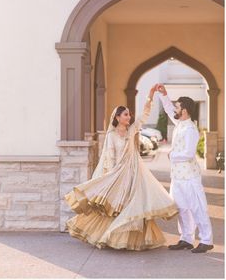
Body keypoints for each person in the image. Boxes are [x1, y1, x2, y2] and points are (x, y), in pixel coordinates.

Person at [64, 85, 178, 251]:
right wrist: (111, 178)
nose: (129, 116)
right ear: (117, 117)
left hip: (134, 174)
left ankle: (132, 239)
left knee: (136, 205)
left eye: (129, 114)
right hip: (117, 175)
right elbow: (109, 157)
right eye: (126, 114)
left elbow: (144, 115)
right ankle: (111, 237)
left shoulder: (132, 130)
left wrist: (151, 94)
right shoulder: (111, 135)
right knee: (116, 208)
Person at [156, 83, 214, 253]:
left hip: (190, 176)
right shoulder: (180, 123)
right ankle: (186, 238)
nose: (175, 107)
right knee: (181, 208)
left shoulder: (190, 129)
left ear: (185, 110)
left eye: (178, 106)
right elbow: (168, 109)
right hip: (177, 176)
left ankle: (206, 240)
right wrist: (163, 94)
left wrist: (171, 155)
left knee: (197, 207)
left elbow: (188, 154)